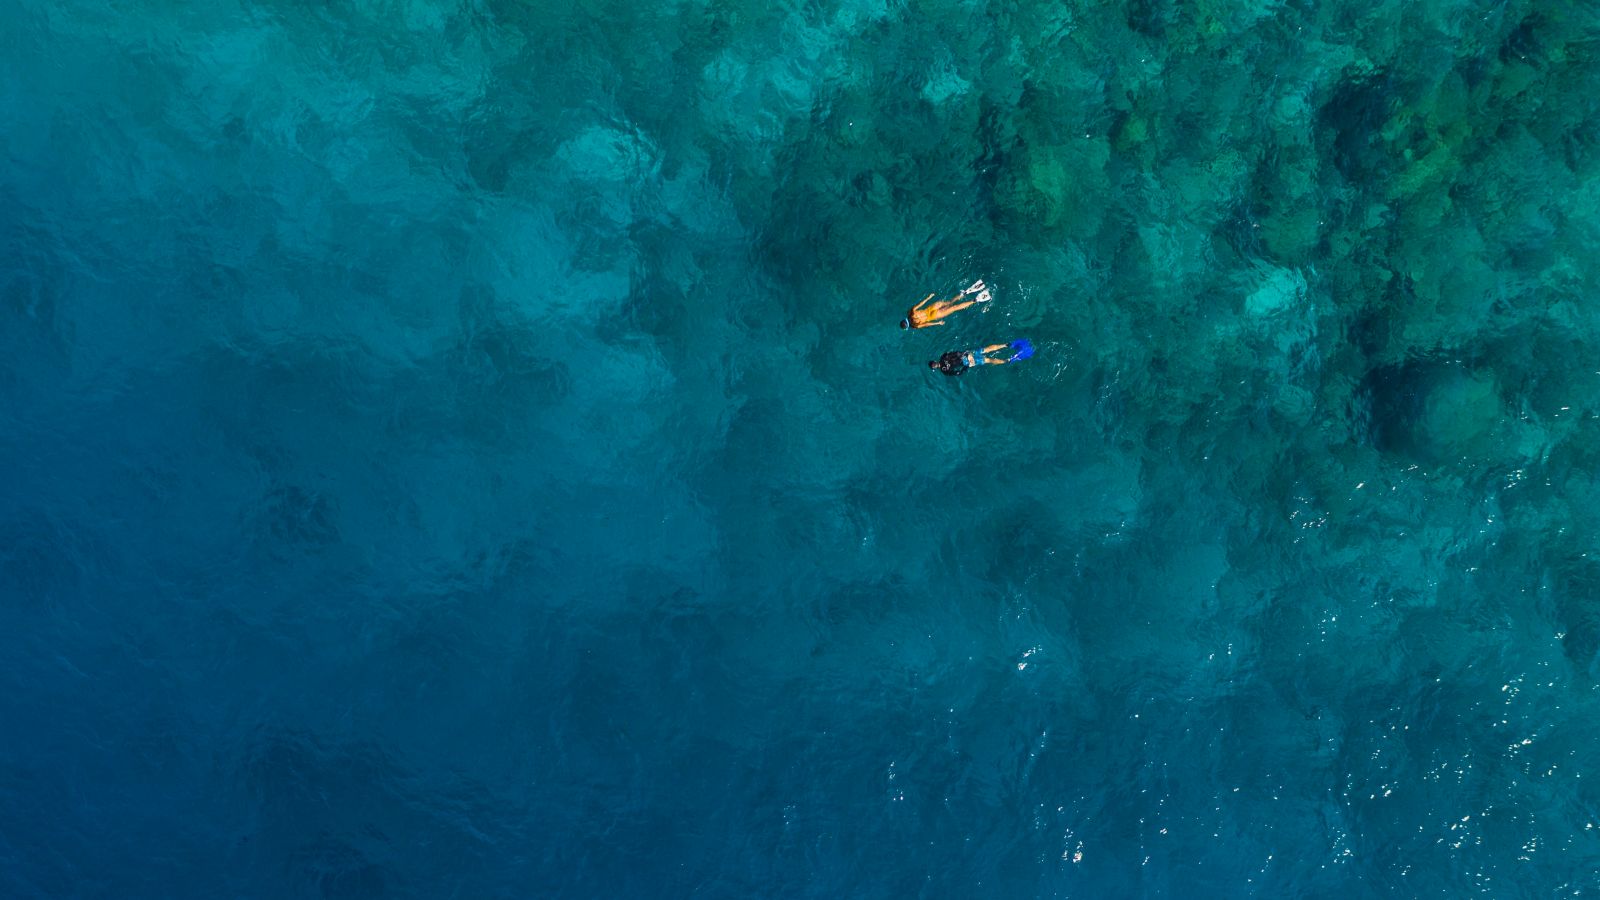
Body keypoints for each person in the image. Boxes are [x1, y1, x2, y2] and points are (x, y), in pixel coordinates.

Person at [901, 280, 991, 329]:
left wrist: (938, 323)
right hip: (931, 307)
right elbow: (921, 303)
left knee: (954, 308)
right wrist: (929, 297)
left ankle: (975, 300)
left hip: (934, 315)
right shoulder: (911, 312)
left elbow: (927, 324)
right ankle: (964, 293)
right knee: (949, 303)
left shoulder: (915, 325)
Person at [927, 340, 1034, 376]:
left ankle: (1008, 360)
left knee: (987, 360)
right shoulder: (943, 357)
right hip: (967, 355)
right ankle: (1007, 345)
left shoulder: (944, 371)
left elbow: (958, 373)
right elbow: (956, 353)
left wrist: (968, 366)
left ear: (935, 368)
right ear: (935, 361)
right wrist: (966, 354)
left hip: (967, 361)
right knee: (986, 350)